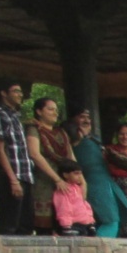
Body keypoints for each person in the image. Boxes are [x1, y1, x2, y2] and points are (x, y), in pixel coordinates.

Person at [68, 109, 127, 239]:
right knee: (110, 220)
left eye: (88, 117)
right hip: (90, 183)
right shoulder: (70, 136)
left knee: (112, 220)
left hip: (105, 182)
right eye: (82, 117)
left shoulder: (94, 138)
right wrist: (83, 138)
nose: (86, 121)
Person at [0, 78, 33, 236]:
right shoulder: (1, 116)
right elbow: (0, 150)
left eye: (20, 91)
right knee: (10, 224)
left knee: (25, 224)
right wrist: (13, 180)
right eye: (15, 91)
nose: (20, 95)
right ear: (3, 94)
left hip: (25, 174)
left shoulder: (15, 117)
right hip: (11, 175)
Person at [25, 97, 73, 235]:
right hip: (43, 180)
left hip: (65, 179)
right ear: (39, 111)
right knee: (44, 225)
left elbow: (71, 158)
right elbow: (34, 154)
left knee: (66, 223)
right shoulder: (33, 129)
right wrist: (56, 179)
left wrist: (79, 179)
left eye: (56, 110)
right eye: (50, 109)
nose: (55, 113)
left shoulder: (61, 133)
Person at [52, 159, 97, 236]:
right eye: (76, 174)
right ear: (65, 175)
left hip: (84, 225)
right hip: (72, 226)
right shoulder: (63, 190)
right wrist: (66, 226)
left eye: (80, 174)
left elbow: (85, 205)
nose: (80, 177)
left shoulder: (78, 188)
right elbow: (63, 208)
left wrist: (90, 222)